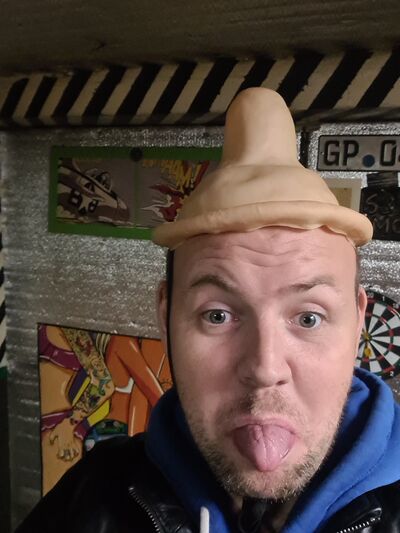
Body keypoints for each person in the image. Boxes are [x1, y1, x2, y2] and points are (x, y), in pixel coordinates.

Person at [16, 88, 400, 533]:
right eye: (217, 315)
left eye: (308, 318)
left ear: (357, 323)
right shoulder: (92, 497)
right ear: (166, 320)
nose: (264, 368)